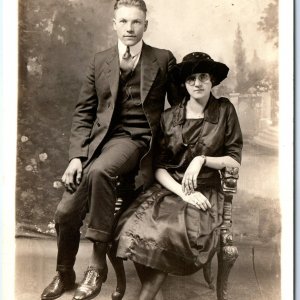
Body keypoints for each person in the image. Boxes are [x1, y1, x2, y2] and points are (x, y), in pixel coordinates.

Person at [41, 1, 180, 300]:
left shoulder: (163, 59)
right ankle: (65, 273)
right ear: (114, 23)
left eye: (136, 22)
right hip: (98, 144)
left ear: (146, 24)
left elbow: (179, 109)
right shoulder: (100, 61)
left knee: (104, 170)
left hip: (137, 141)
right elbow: (84, 112)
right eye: (124, 22)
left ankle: (96, 266)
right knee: (65, 212)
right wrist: (77, 156)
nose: (130, 29)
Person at [114, 52, 243, 300]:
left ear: (212, 80)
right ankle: (152, 290)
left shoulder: (225, 110)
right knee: (129, 224)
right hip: (171, 188)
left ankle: (146, 295)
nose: (197, 83)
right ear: (183, 84)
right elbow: (159, 167)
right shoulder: (169, 117)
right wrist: (183, 191)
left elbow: (233, 159)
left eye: (203, 76)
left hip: (206, 191)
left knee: (169, 230)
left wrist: (201, 159)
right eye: (191, 78)